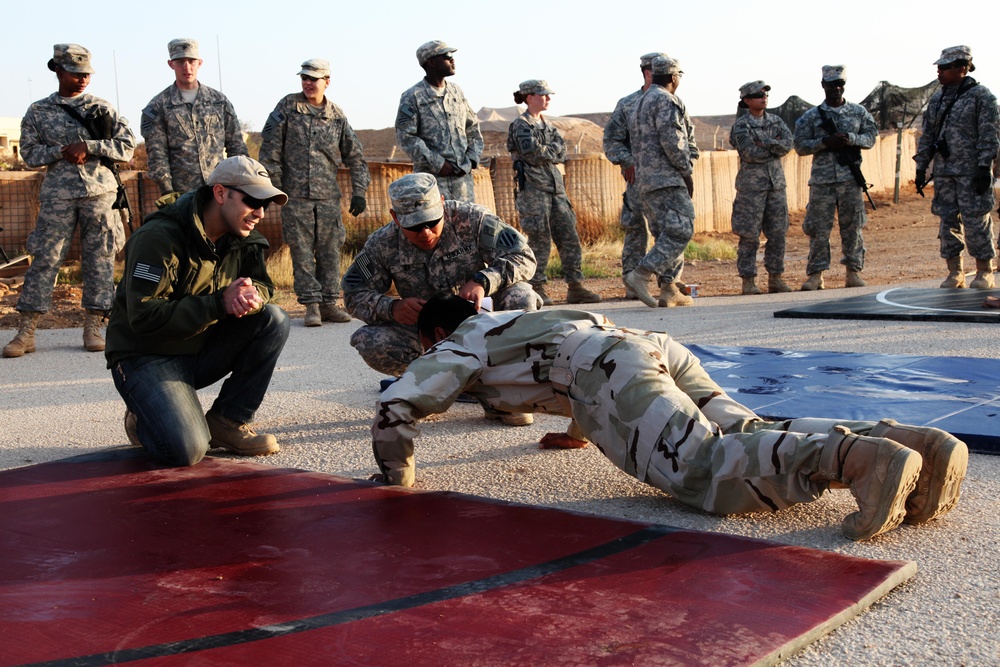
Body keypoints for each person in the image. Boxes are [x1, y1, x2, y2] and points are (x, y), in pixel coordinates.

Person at [370, 294, 969, 541]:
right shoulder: (518, 315)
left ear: (436, 333)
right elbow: (562, 362)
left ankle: (856, 461)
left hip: (603, 368)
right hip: (647, 345)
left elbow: (397, 404)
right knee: (742, 431)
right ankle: (913, 445)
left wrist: (394, 476)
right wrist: (581, 430)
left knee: (701, 470)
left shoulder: (459, 341)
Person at [104, 156, 291, 467]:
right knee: (187, 450)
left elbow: (262, 282)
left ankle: (227, 422)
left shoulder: (242, 236)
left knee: (272, 319)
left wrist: (252, 295)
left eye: (266, 204)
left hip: (198, 345)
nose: (259, 212)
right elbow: (144, 317)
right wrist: (219, 303)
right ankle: (145, 416)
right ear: (220, 193)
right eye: (252, 201)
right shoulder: (159, 237)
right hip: (146, 354)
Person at [342, 173, 540, 425]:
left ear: (442, 204)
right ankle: (434, 386)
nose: (424, 232)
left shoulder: (474, 219)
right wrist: (391, 307)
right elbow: (352, 294)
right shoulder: (382, 244)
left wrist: (484, 280)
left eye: (431, 221)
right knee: (370, 341)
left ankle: (505, 395)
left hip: (484, 325)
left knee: (521, 295)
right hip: (430, 333)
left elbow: (523, 256)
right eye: (413, 226)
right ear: (395, 217)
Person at [4, 44, 135, 359]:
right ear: (59, 71)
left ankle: (93, 327)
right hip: (57, 196)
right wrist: (61, 151)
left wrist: (89, 146)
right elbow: (30, 153)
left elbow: (127, 147)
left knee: (100, 260)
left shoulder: (101, 108)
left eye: (87, 74)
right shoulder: (39, 111)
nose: (82, 79)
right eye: (76, 74)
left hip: (100, 194)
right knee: (45, 259)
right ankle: (26, 332)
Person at [259, 58, 371, 327]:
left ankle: (330, 303)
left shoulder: (336, 115)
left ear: (327, 82)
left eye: (314, 78)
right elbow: (269, 150)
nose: (308, 83)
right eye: (304, 78)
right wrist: (273, 188)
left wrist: (359, 190)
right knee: (301, 251)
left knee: (330, 250)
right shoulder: (288, 107)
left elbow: (355, 155)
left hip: (328, 197)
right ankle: (311, 305)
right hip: (295, 195)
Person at [507, 80, 601, 306]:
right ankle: (537, 286)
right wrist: (551, 151)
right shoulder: (521, 125)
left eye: (549, 95)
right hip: (533, 190)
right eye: (543, 95)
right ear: (529, 97)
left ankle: (576, 286)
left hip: (556, 190)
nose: (548, 99)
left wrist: (549, 151)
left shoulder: (548, 125)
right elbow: (533, 154)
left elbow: (562, 150)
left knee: (569, 236)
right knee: (539, 238)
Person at [914, 45, 999, 290]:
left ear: (962, 68)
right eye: (939, 67)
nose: (939, 72)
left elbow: (989, 134)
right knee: (947, 221)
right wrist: (921, 168)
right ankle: (955, 272)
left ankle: (984, 271)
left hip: (972, 171)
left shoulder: (981, 96)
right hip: (944, 172)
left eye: (945, 67)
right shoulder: (938, 99)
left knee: (976, 220)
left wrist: (985, 167)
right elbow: (927, 135)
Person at [793, 65, 878, 291]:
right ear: (823, 86)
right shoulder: (810, 117)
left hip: (850, 180)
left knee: (853, 228)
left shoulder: (858, 113)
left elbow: (870, 137)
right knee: (818, 229)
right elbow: (800, 146)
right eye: (832, 85)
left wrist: (850, 138)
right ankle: (816, 275)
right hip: (822, 183)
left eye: (840, 84)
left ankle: (853, 273)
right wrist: (824, 143)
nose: (836, 88)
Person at [624, 56, 696, 308]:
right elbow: (673, 141)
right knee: (681, 230)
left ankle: (669, 289)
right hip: (666, 179)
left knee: (665, 234)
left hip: (645, 181)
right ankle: (641, 274)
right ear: (674, 78)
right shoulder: (666, 100)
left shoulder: (638, 102)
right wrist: (685, 171)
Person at [141, 38, 248, 196]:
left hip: (221, 190)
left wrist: (242, 183)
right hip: (183, 194)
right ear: (171, 64)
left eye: (191, 61)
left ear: (200, 63)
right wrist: (167, 190)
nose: (187, 67)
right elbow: (157, 154)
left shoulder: (219, 102)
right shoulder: (158, 106)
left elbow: (237, 146)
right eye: (180, 62)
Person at [604, 52, 666, 300]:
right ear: (648, 73)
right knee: (636, 230)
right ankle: (632, 282)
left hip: (665, 181)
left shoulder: (670, 101)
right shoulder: (628, 104)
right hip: (638, 181)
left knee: (667, 230)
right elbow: (611, 140)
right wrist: (627, 160)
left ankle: (669, 282)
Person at [396, 40, 483, 202]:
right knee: (438, 226)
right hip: (433, 182)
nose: (452, 60)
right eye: (447, 56)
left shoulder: (456, 91)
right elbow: (406, 137)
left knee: (465, 225)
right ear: (431, 62)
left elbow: (473, 129)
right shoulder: (413, 96)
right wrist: (438, 163)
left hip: (463, 181)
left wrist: (471, 159)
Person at [729, 81, 793, 295]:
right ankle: (748, 281)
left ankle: (776, 278)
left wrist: (763, 142)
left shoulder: (776, 121)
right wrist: (773, 145)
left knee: (778, 233)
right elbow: (749, 153)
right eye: (758, 95)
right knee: (749, 235)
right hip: (751, 189)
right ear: (747, 100)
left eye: (765, 94)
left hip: (776, 186)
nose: (763, 98)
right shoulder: (741, 125)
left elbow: (787, 145)